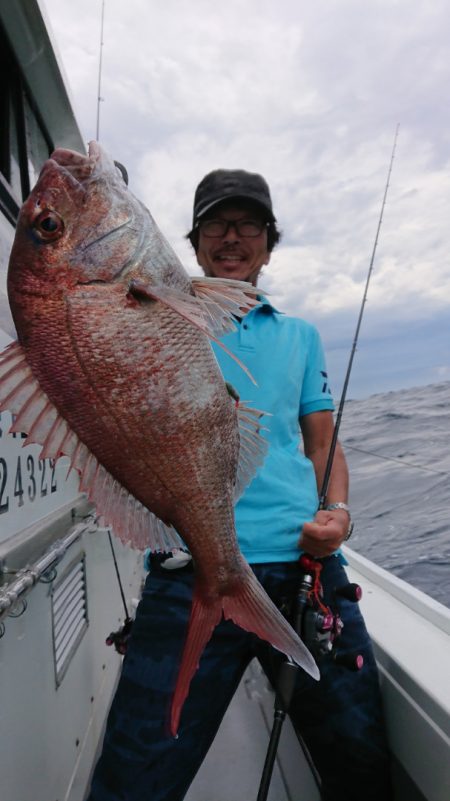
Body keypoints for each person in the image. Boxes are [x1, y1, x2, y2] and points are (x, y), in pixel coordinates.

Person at [88, 169, 392, 801]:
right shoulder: (155, 318)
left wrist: (337, 511)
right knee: (133, 777)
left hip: (305, 570)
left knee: (360, 764)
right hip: (186, 569)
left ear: (269, 242)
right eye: (216, 224)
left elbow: (320, 443)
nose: (232, 236)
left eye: (247, 223)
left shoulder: (300, 335)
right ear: (193, 240)